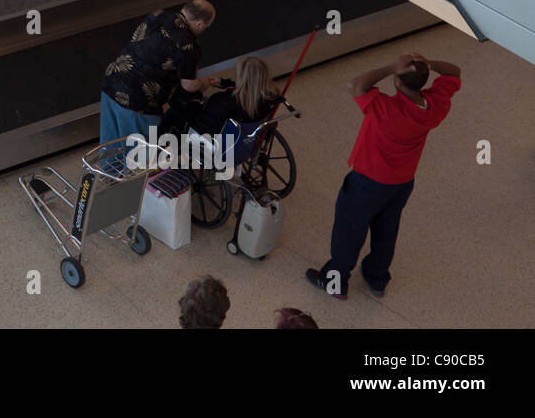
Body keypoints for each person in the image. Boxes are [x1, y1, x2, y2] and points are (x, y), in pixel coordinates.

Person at [306, 51, 461, 300]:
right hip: (402, 183)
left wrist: (392, 66)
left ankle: (334, 282)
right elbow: (454, 71)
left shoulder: (386, 108)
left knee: (349, 232)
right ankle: (377, 279)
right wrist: (425, 65)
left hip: (367, 182)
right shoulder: (435, 105)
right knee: (386, 230)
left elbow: (355, 85)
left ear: (398, 83)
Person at [99, 0, 217, 148]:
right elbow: (189, 85)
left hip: (112, 82)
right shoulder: (188, 45)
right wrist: (205, 83)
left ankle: (105, 171)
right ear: (200, 23)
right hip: (139, 101)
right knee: (141, 156)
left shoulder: (158, 14)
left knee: (110, 148)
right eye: (206, 26)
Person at [185, 56, 279, 136]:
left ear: (240, 76)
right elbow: (248, 86)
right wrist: (223, 82)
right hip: (243, 143)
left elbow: (204, 127)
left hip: (213, 144)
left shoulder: (222, 100)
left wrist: (195, 103)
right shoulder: (272, 97)